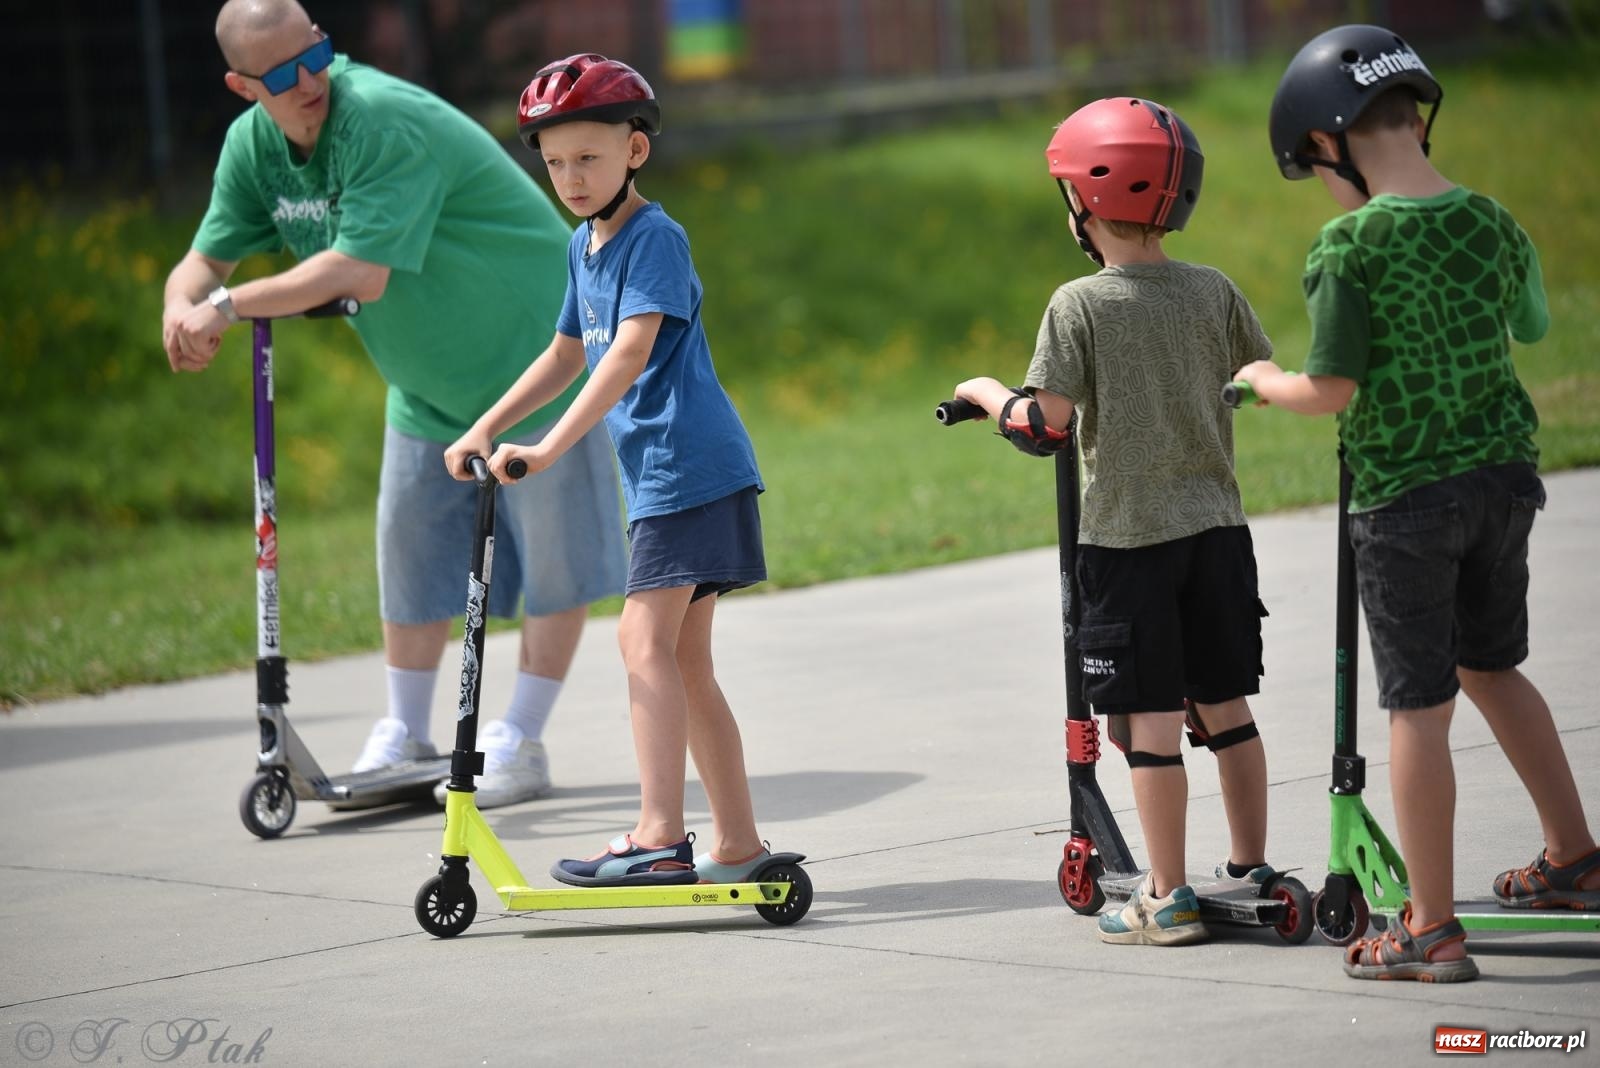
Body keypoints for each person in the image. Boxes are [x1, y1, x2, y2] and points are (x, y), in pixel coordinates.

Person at [161, 0, 627, 809]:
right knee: (410, 552)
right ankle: (406, 732)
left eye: (316, 56)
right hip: (426, 385)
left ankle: (518, 738)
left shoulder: (377, 119)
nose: (308, 83)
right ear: (243, 86)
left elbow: (358, 271)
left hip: (539, 358)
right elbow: (203, 260)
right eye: (279, 76)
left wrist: (230, 308)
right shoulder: (254, 150)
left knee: (557, 560)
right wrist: (181, 308)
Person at [1240, 23, 1599, 981]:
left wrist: (1263, 378)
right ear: (1414, 119)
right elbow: (1534, 321)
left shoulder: (1348, 244)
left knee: (1417, 708)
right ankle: (1576, 857)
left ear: (1328, 142)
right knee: (1493, 666)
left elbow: (1332, 390)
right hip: (1504, 482)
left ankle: (1429, 928)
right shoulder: (1491, 219)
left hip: (1404, 499)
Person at [951, 97, 1278, 945]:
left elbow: (1044, 426)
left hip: (1129, 544)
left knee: (1148, 725)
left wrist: (984, 392)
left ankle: (1165, 894)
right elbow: (1255, 375)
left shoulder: (1080, 304)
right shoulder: (1215, 290)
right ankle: (1251, 868)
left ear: (1084, 203)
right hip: (1218, 532)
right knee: (1227, 706)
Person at [445, 54, 778, 887]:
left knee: (641, 639)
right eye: (553, 162)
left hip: (687, 466)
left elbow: (628, 350)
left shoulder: (654, 238)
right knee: (685, 661)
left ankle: (660, 834)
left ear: (636, 150)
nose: (569, 177)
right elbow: (566, 351)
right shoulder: (581, 245)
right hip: (673, 474)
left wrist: (550, 448)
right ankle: (736, 842)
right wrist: (488, 424)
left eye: (587, 157)